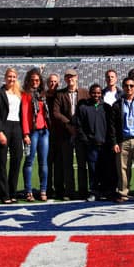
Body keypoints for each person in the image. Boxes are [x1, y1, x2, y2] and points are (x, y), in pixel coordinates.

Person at [52, 68, 89, 200]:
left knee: (81, 164)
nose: (70, 79)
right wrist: (69, 125)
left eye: (72, 76)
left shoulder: (85, 93)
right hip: (66, 133)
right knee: (67, 164)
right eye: (68, 77)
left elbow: (89, 110)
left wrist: (79, 127)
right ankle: (70, 191)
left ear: (77, 77)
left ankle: (84, 190)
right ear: (65, 79)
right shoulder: (60, 94)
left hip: (81, 133)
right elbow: (56, 113)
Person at [73, 84, 113, 201]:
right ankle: (94, 191)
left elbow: (111, 126)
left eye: (99, 93)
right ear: (90, 93)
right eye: (94, 93)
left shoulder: (106, 107)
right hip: (91, 145)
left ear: (101, 94)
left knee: (105, 169)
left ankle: (106, 190)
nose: (96, 95)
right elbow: (79, 126)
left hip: (104, 144)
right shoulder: (83, 107)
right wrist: (86, 140)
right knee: (93, 169)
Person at [0, 67, 23, 204]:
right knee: (2, 162)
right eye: (9, 76)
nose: (11, 79)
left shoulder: (19, 93)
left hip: (17, 127)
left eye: (14, 77)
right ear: (5, 77)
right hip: (4, 127)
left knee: (17, 159)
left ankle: (12, 192)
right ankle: (4, 194)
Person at [21, 68, 51, 202]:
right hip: (32, 132)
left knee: (43, 163)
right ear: (28, 80)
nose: (35, 82)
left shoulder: (42, 94)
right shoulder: (25, 95)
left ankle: (43, 190)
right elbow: (24, 115)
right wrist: (26, 133)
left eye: (37, 80)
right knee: (29, 161)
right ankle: (28, 191)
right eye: (32, 80)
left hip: (44, 131)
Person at [45, 73, 61, 198]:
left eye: (55, 81)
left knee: (59, 162)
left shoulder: (61, 95)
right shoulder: (43, 96)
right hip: (45, 133)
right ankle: (47, 188)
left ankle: (60, 188)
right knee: (47, 163)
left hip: (59, 133)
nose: (53, 84)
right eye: (51, 81)